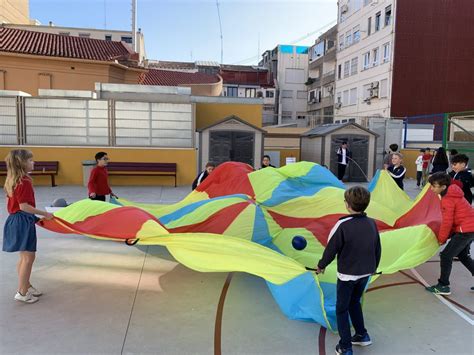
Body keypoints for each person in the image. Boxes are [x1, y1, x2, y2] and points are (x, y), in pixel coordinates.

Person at [316, 186, 381, 355]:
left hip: (347, 275)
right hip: (366, 272)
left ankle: (345, 346)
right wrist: (374, 267)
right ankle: (362, 335)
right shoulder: (371, 223)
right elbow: (377, 247)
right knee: (355, 302)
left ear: (347, 205)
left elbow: (331, 248)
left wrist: (321, 265)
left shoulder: (342, 224)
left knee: (342, 309)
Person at [3, 149, 54, 304]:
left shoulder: (13, 180)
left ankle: (26, 285)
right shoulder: (24, 182)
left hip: (15, 220)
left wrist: (34, 218)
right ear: (22, 163)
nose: (34, 162)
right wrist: (44, 214)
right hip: (22, 221)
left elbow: (13, 206)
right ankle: (22, 292)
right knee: (28, 258)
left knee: (24, 257)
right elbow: (24, 206)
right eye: (31, 160)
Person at [425, 172, 474, 295]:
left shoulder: (448, 199)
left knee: (446, 255)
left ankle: (443, 285)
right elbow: (454, 220)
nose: (432, 188)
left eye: (434, 186)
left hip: (466, 230)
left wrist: (442, 239)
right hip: (470, 228)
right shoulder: (452, 193)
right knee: (462, 255)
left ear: (443, 187)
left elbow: (447, 222)